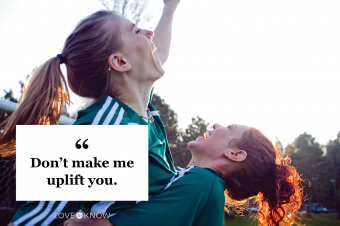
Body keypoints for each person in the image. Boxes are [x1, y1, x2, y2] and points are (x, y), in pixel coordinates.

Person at [1, 1, 181, 225]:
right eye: (136, 30)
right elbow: (39, 216)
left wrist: (170, 8)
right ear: (120, 62)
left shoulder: (141, 111)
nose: (149, 33)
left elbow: (159, 50)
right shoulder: (107, 128)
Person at [64, 123, 303, 226]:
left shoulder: (202, 183)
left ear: (235, 153)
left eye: (229, 128)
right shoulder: (194, 181)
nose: (215, 126)